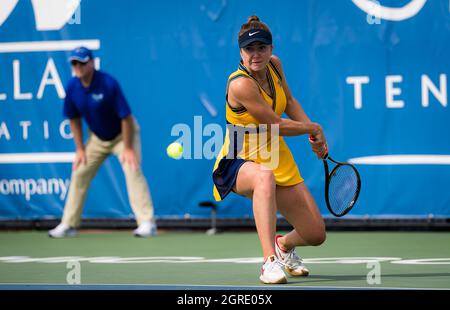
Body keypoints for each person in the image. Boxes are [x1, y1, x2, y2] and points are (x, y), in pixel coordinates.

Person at [212, 16, 328, 284]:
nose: (256, 54)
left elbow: (288, 101)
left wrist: (313, 133)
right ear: (240, 52)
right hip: (239, 159)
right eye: (249, 49)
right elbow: (275, 124)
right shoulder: (240, 84)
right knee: (263, 176)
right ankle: (268, 262)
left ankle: (283, 245)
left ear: (271, 49)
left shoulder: (275, 66)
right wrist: (315, 128)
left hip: (276, 155)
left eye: (261, 47)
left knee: (315, 234)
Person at [48, 47, 157, 238]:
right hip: (97, 138)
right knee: (79, 172)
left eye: (82, 62)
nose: (78, 67)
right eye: (74, 63)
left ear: (91, 63)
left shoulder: (108, 84)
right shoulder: (72, 87)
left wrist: (129, 148)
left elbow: (126, 118)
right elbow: (73, 119)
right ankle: (68, 225)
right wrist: (80, 149)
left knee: (132, 170)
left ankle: (147, 223)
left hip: (124, 135)